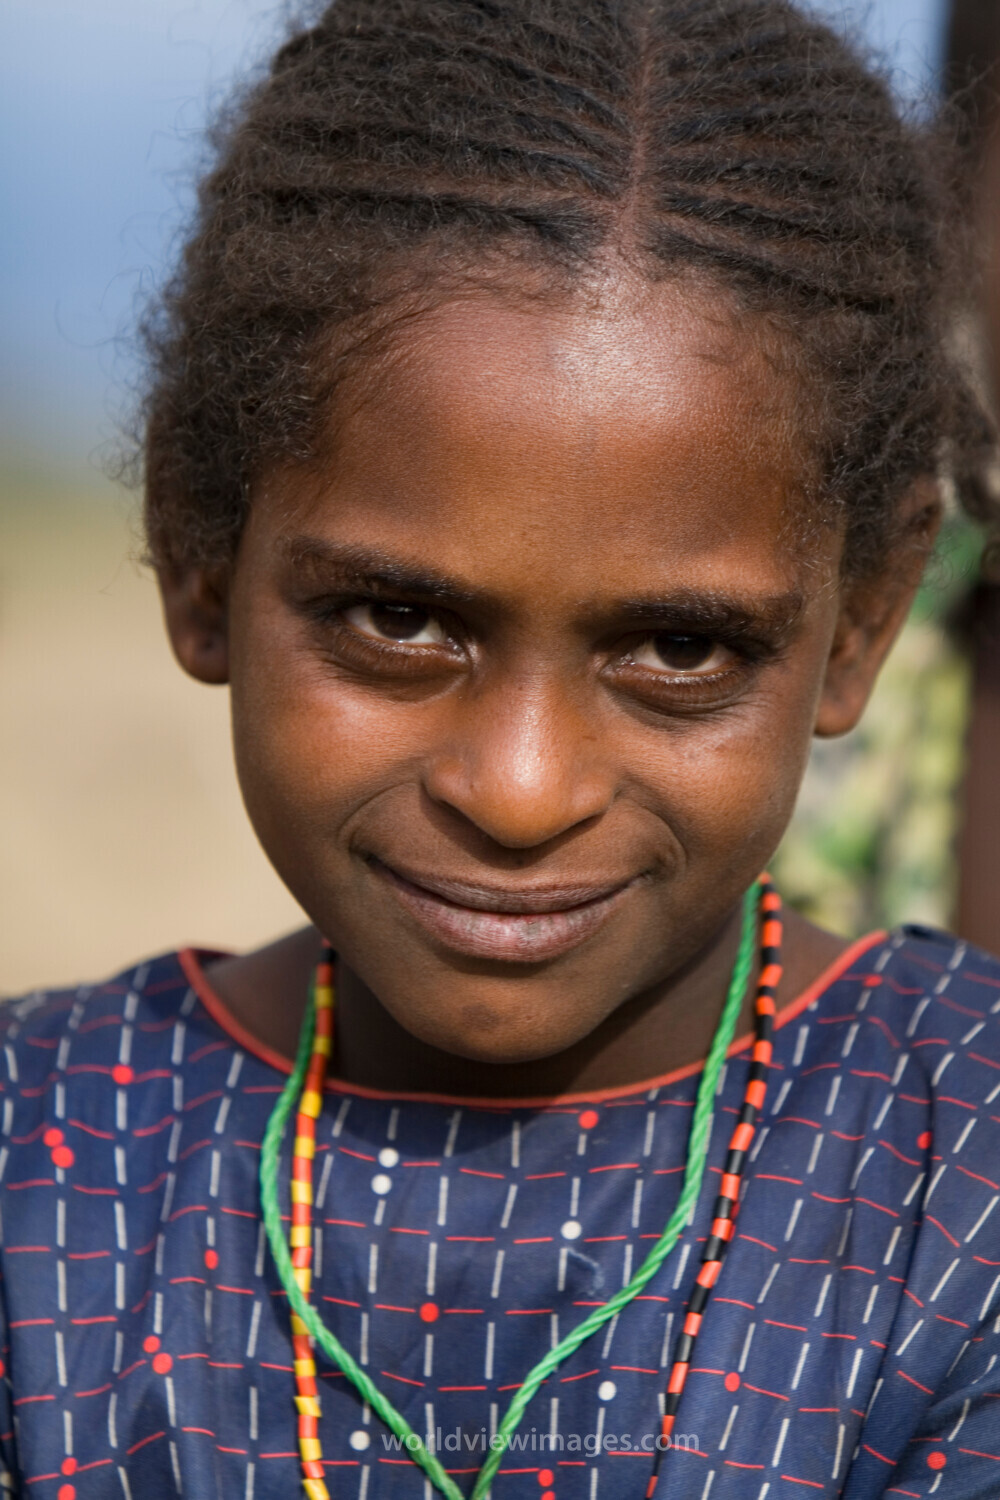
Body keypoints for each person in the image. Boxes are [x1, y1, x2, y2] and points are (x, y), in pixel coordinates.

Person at [3, 2, 999, 1497]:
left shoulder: (962, 1166)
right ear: (200, 554)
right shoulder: (46, 1166)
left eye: (679, 651)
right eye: (399, 619)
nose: (521, 790)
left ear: (860, 619)